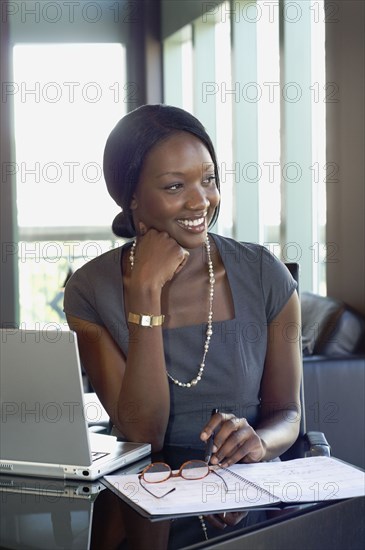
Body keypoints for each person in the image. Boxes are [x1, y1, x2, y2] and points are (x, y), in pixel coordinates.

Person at [64, 104, 301, 467]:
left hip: (248, 493)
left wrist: (259, 443)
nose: (200, 201)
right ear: (131, 198)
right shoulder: (89, 290)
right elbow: (143, 435)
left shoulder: (264, 274)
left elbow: (287, 414)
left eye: (208, 179)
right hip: (146, 500)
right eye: (175, 186)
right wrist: (146, 292)